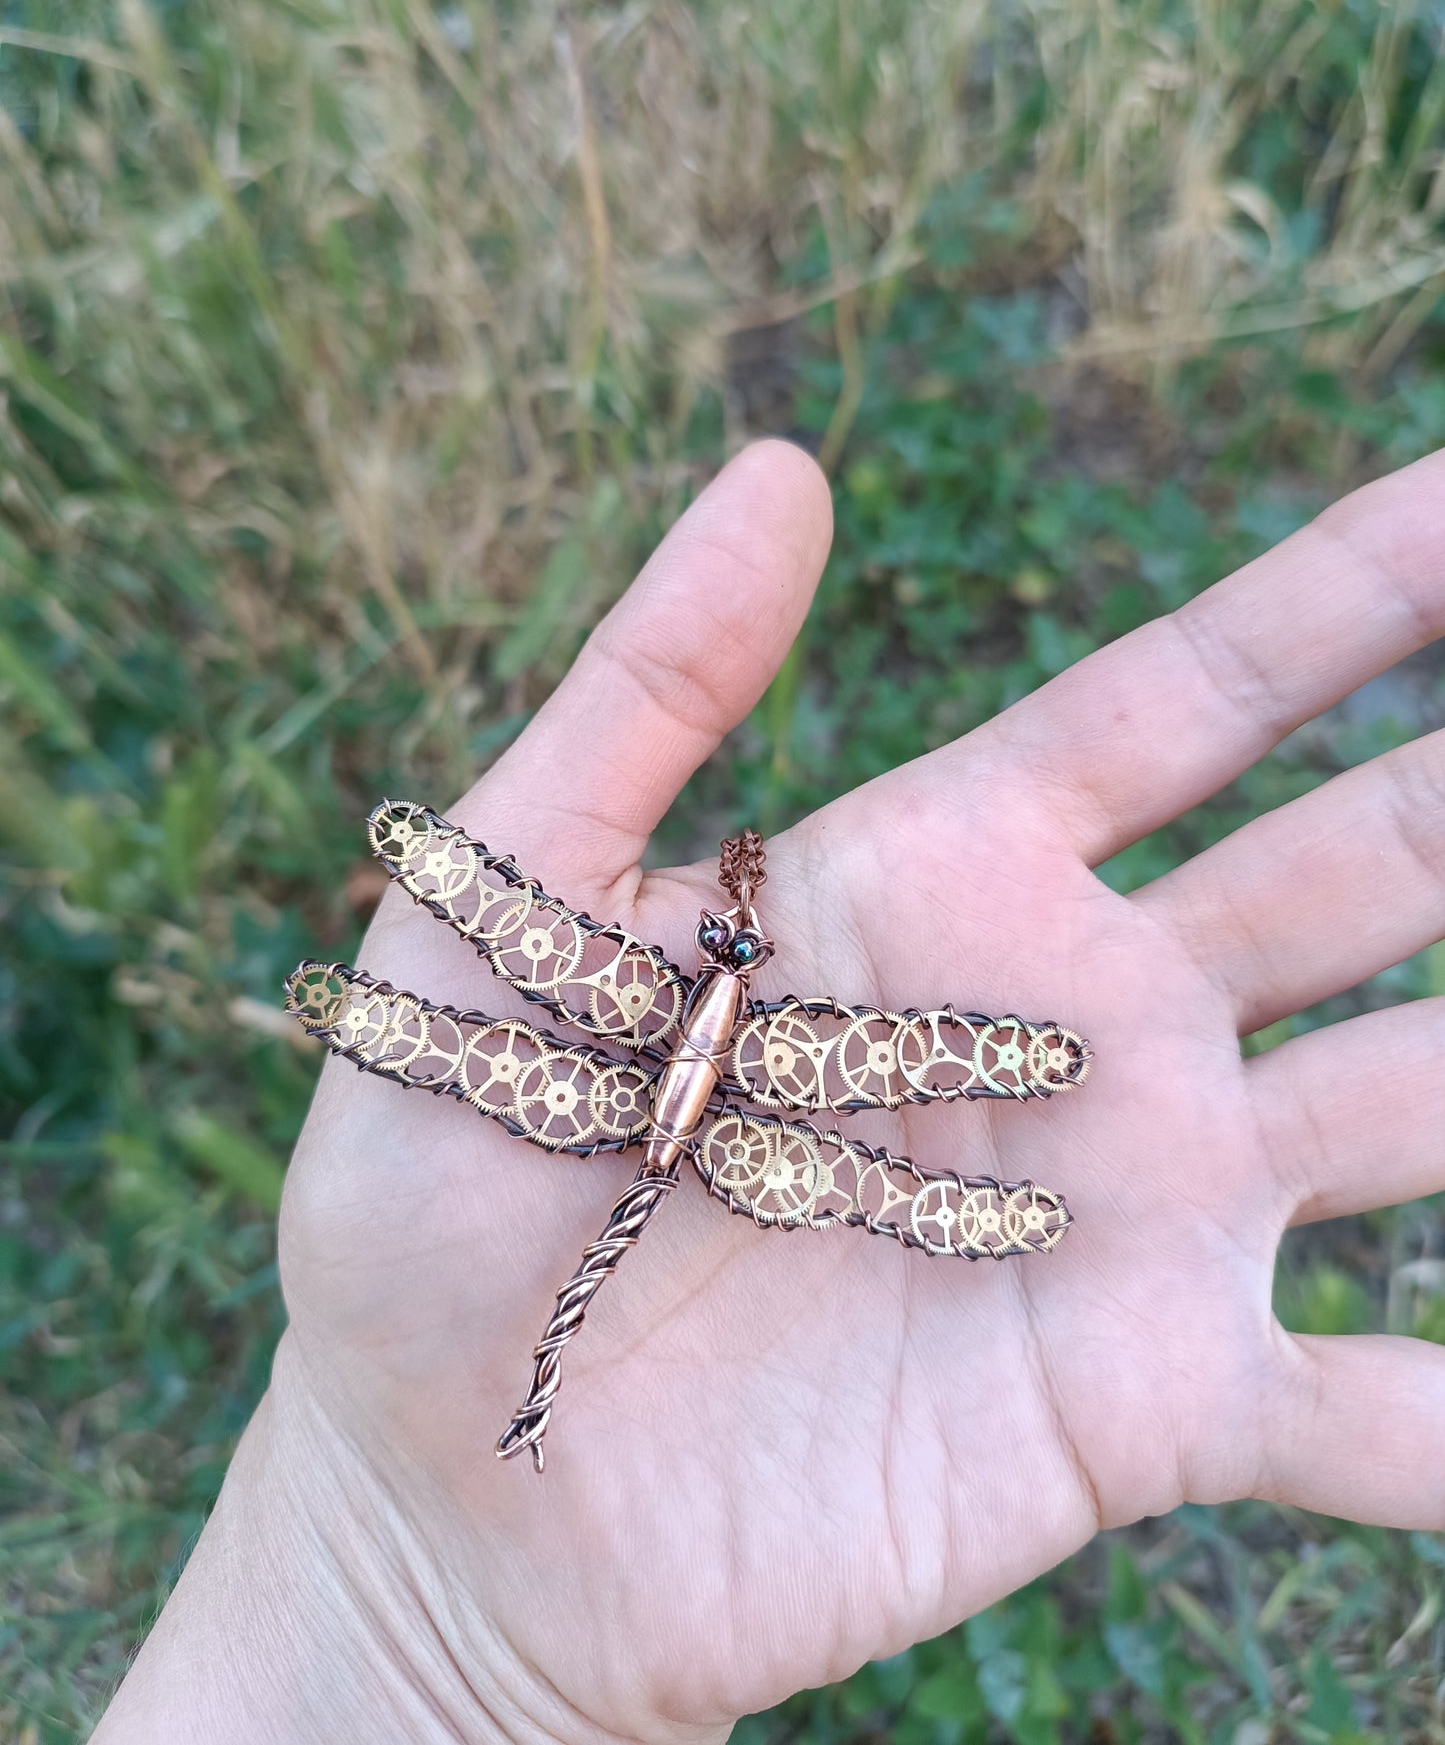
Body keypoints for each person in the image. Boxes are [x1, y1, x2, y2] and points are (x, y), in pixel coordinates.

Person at [93, 440, 1445, 1743]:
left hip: (637, 1127)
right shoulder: (787, 1049)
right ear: (742, 961)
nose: (728, 953)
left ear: (726, 962)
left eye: (733, 951)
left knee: (821, 1177)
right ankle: (533, 1392)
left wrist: (445, 1656)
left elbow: (500, 939)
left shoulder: (664, 1010)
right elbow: (898, 1066)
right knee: (882, 1178)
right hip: (700, 1147)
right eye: (734, 949)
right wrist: (430, 1621)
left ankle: (535, 1387)